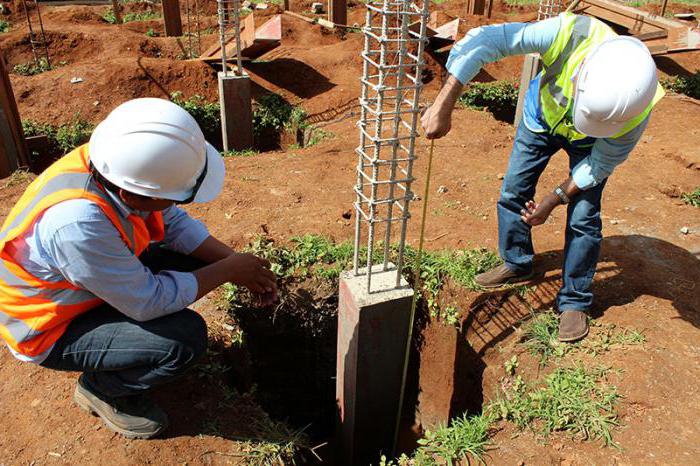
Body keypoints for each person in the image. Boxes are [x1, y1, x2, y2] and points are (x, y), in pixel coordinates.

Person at [0, 98, 278, 439]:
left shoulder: (115, 161)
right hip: (50, 325)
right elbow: (147, 303)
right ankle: (103, 388)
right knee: (184, 341)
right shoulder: (77, 223)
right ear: (133, 195)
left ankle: (126, 351)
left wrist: (232, 263)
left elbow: (172, 223)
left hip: (84, 287)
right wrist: (228, 271)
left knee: (199, 262)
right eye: (173, 196)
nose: (175, 205)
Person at [421, 12, 663, 342]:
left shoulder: (636, 107)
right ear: (582, 76)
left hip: (591, 146)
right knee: (514, 191)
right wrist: (444, 103)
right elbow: (485, 40)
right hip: (541, 118)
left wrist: (554, 199)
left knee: (584, 217)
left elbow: (598, 166)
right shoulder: (567, 33)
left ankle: (574, 301)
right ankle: (517, 262)